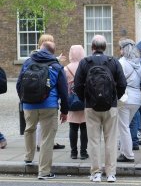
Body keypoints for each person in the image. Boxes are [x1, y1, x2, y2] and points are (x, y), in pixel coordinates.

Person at [74, 35, 126, 183]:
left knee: (94, 140)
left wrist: (85, 100)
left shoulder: (85, 62)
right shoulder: (113, 61)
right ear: (105, 48)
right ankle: (111, 174)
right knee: (110, 140)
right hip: (111, 106)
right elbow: (122, 83)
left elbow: (78, 85)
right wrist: (114, 98)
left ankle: (96, 173)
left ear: (91, 48)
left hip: (91, 106)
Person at [16, 41, 69, 179]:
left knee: (29, 129)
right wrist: (64, 111)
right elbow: (64, 92)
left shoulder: (27, 63)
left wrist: (23, 100)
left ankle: (28, 158)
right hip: (49, 105)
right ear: (53, 52)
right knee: (46, 138)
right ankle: (44, 172)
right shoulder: (57, 66)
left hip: (28, 105)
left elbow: (18, 84)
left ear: (41, 49)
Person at [30, 34, 66, 152]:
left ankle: (48, 142)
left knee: (46, 124)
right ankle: (40, 143)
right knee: (42, 122)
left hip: (36, 95)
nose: (53, 44)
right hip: (41, 95)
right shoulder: (35, 57)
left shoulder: (34, 57)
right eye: (51, 42)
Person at [117, 39, 141, 163]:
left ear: (124, 49)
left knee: (123, 127)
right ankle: (123, 152)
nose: (120, 51)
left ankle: (128, 155)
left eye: (120, 48)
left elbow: (118, 80)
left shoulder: (121, 62)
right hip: (137, 98)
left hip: (125, 97)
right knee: (125, 125)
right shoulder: (138, 63)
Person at [64, 45, 88, 160]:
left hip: (71, 100)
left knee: (73, 127)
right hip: (84, 99)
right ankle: (83, 152)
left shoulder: (66, 68)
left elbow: (63, 87)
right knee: (84, 127)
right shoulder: (86, 66)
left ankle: (73, 153)